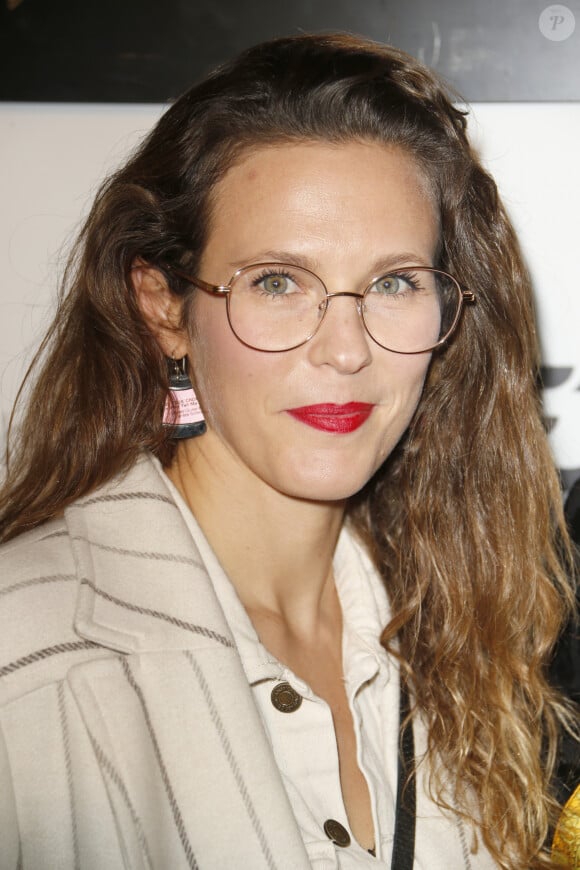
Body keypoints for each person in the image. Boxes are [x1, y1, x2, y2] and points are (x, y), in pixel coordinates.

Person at [0, 33, 576, 870]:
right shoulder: (27, 651)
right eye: (278, 281)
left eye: (394, 283)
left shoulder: (468, 628)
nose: (345, 349)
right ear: (163, 307)